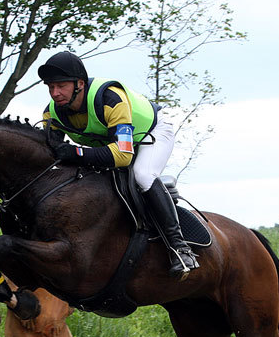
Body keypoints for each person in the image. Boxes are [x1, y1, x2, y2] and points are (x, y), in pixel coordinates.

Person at [37, 51, 198, 278]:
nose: (55, 93)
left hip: (150, 134)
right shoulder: (51, 113)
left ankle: (179, 248)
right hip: (112, 146)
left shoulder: (110, 99)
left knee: (143, 175)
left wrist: (76, 152)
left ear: (80, 84)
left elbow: (123, 156)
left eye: (61, 86)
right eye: (50, 87)